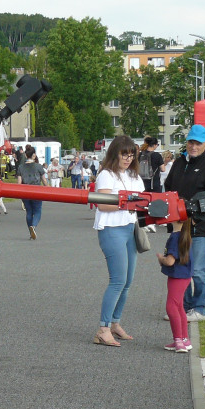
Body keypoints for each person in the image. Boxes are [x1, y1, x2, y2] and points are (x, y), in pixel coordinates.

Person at [164, 124, 205, 323]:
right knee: (181, 268)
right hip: (179, 226)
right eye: (191, 142)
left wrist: (195, 218)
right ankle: (183, 306)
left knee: (197, 270)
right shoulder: (180, 163)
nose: (193, 146)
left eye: (198, 143)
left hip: (199, 227)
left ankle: (199, 308)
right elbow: (168, 188)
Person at [92, 136, 143, 347]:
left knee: (128, 282)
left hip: (130, 228)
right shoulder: (106, 175)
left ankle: (115, 323)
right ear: (116, 153)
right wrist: (128, 204)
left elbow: (142, 201)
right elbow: (102, 204)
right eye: (124, 154)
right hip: (111, 229)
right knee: (118, 280)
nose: (128, 158)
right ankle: (103, 329)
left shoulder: (133, 175)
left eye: (132, 155)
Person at [157, 217, 194, 353]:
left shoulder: (174, 237)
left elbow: (170, 261)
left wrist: (161, 259)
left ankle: (178, 341)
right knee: (179, 307)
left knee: (171, 307)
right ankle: (185, 339)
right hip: (185, 276)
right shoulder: (186, 235)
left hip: (177, 276)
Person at [17, 145, 46, 240]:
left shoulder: (21, 167)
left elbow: (19, 182)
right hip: (37, 191)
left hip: (25, 191)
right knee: (37, 211)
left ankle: (30, 231)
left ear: (25, 155)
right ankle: (33, 226)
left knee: (29, 211)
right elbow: (44, 180)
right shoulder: (38, 166)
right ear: (34, 155)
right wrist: (48, 188)